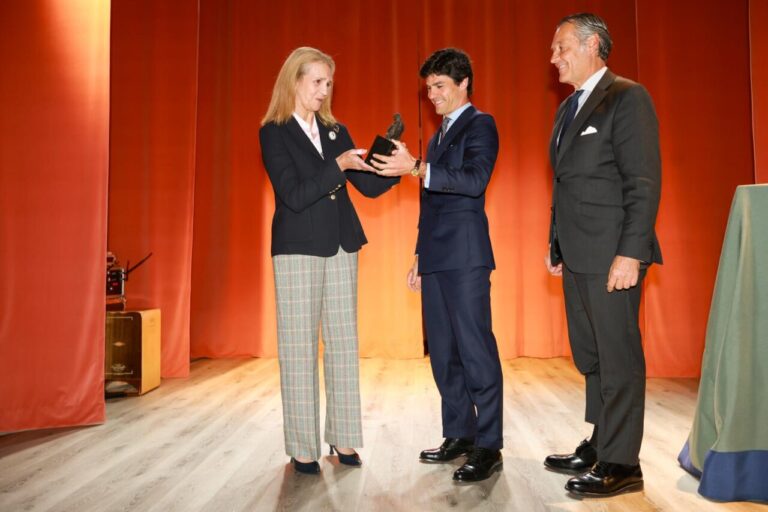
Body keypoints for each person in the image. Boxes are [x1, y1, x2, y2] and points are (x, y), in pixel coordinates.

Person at [259, 47, 399, 474]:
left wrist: (390, 163)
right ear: (294, 81)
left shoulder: (336, 129)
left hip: (342, 245)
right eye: (317, 81)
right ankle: (302, 447)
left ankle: (343, 439)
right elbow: (294, 195)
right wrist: (337, 165)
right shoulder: (274, 132)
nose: (324, 90)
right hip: (298, 248)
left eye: (328, 83)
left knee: (342, 346)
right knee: (299, 348)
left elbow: (367, 189)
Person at [544, 13, 662, 497]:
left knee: (619, 359)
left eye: (561, 46)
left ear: (593, 45)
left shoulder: (627, 97)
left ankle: (622, 463)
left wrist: (630, 253)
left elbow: (643, 182)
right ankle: (599, 441)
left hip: (613, 255)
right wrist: (556, 243)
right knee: (591, 356)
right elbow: (565, 184)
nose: (553, 57)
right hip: (577, 254)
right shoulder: (568, 108)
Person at [372, 48, 503, 483]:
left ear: (464, 82)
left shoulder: (481, 124)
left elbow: (474, 181)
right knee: (444, 353)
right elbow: (430, 202)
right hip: (436, 257)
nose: (432, 96)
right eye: (428, 88)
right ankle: (459, 435)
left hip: (466, 257)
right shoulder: (437, 135)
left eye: (440, 86)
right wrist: (417, 253)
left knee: (475, 349)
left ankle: (488, 446)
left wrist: (417, 167)